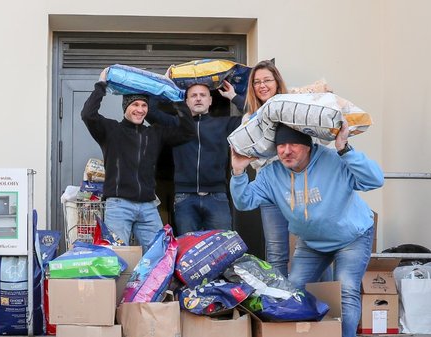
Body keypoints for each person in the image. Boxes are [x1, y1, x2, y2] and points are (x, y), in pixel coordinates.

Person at [229, 122, 383, 337]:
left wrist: (346, 150)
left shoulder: (333, 161)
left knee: (346, 290)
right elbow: (244, 202)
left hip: (352, 236)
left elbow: (375, 179)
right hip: (311, 242)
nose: (286, 151)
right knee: (292, 291)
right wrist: (238, 171)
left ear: (309, 146)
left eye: (293, 145)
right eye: (281, 146)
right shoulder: (271, 174)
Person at [81, 68, 196, 249]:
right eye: (135, 105)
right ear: (126, 107)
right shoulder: (111, 130)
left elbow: (188, 132)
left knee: (160, 256)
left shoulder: (155, 132)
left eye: (144, 106)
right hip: (119, 206)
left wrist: (176, 98)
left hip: (148, 207)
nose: (140, 110)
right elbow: (88, 114)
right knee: (116, 258)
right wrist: (101, 85)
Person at [145, 81, 245, 235]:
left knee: (222, 248)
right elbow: (150, 112)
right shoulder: (175, 123)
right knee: (187, 250)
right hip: (184, 198)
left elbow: (257, 116)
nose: (198, 99)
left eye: (203, 95)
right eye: (193, 96)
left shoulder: (224, 124)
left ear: (210, 100)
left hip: (217, 197)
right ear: (186, 101)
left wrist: (233, 96)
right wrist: (163, 85)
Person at [242, 59, 293, 275]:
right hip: (270, 191)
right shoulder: (249, 119)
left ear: (277, 82)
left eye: (267, 80)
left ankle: (320, 297)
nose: (262, 85)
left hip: (297, 187)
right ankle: (282, 301)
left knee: (311, 248)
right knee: (276, 251)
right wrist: (270, 158)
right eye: (257, 82)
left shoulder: (291, 110)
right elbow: (250, 157)